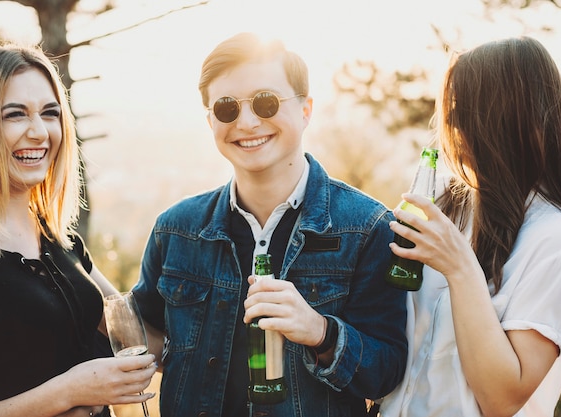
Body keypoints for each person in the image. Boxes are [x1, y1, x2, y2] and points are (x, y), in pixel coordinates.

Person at [132, 32, 408, 417]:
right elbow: (144, 336)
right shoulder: (175, 230)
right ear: (211, 120)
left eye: (266, 102)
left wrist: (319, 331)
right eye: (227, 108)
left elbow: (388, 371)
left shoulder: (367, 228)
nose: (246, 122)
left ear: (306, 109)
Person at [0, 44, 156, 417]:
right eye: (15, 115)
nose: (39, 132)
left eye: (50, 113)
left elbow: (142, 336)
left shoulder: (59, 238)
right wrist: (69, 391)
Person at [380, 36, 561, 417]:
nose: (452, 126)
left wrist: (459, 266)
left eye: (465, 112)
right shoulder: (446, 205)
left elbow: (503, 399)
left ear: (510, 119)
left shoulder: (556, 239)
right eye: (451, 111)